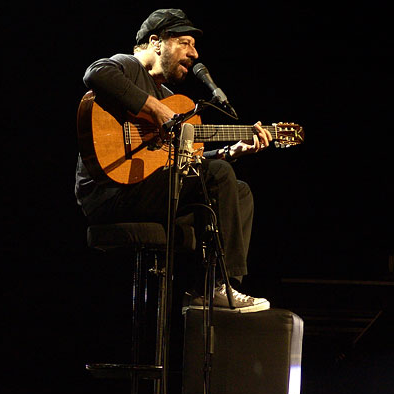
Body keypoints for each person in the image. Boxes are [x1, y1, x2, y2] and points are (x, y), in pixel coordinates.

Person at [75, 9, 272, 312]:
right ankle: (218, 287)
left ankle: (210, 287)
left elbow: (181, 162)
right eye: (185, 43)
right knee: (218, 175)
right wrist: (154, 109)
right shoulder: (129, 66)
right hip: (112, 192)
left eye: (194, 45)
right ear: (156, 42)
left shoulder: (167, 94)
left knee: (238, 189)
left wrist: (228, 152)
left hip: (146, 188)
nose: (194, 53)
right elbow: (95, 72)